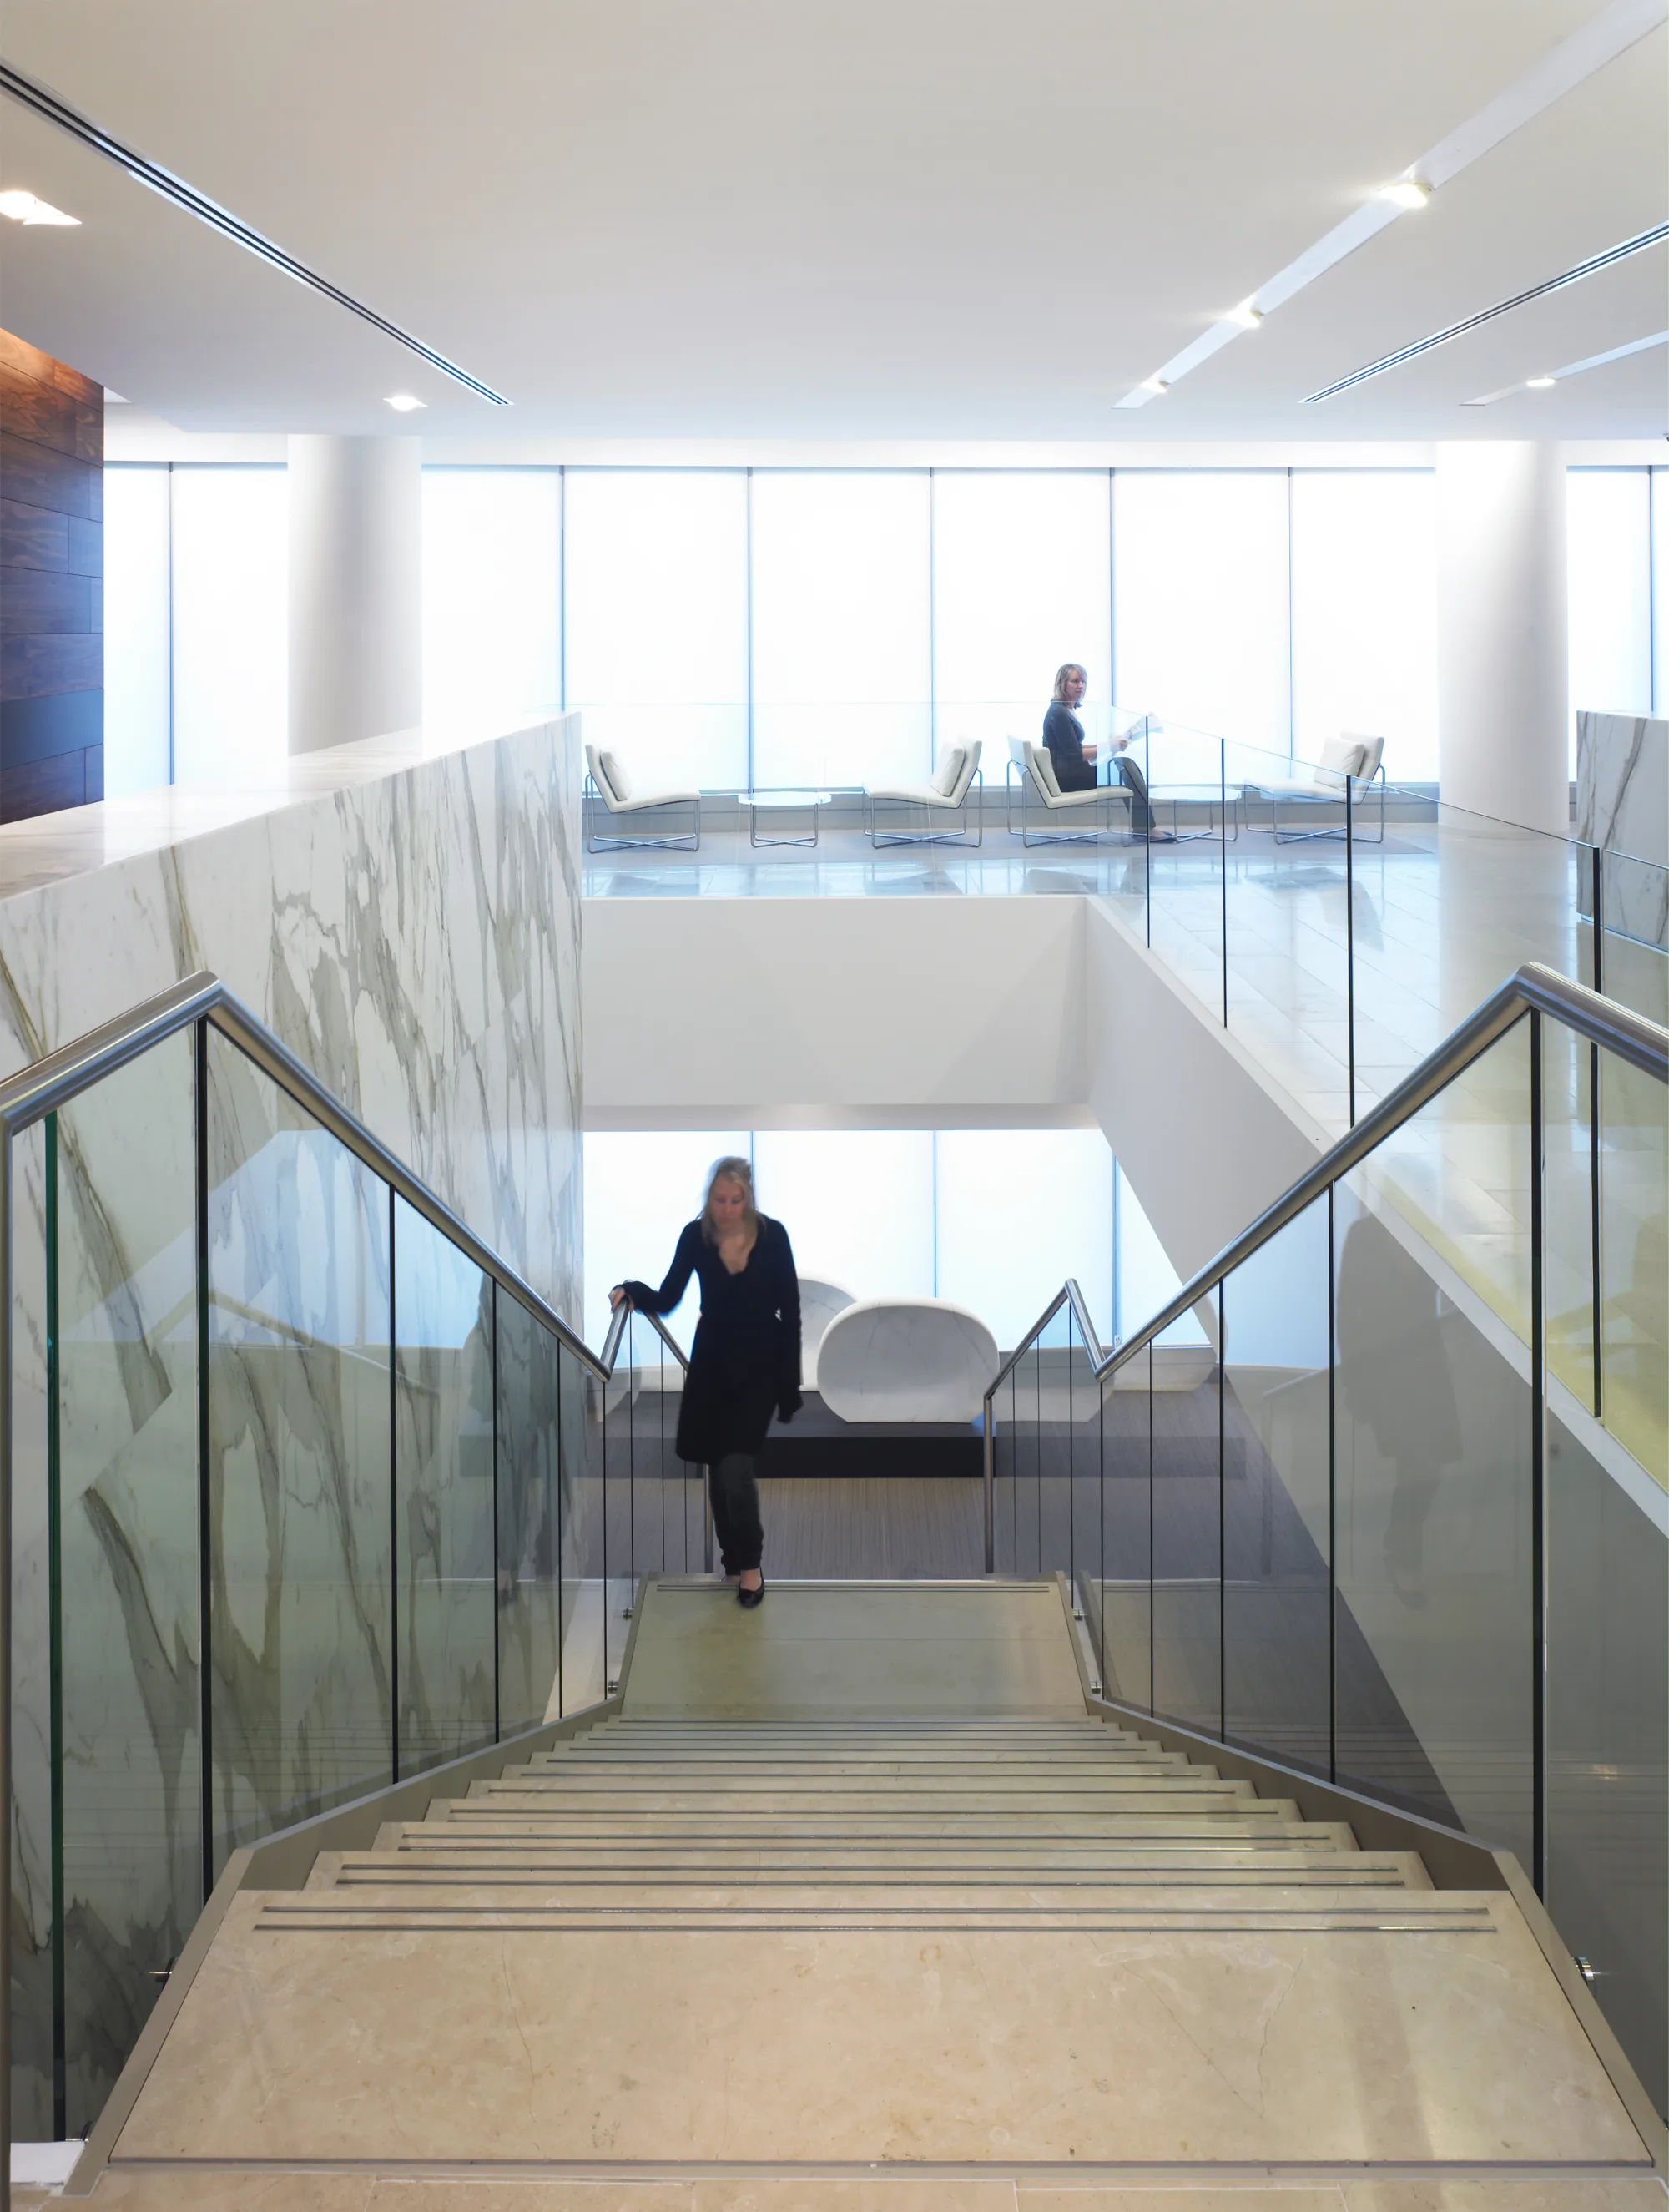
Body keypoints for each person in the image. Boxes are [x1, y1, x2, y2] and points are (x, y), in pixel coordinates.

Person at [611, 1156, 801, 1608]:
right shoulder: (694, 1236)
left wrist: (787, 1381)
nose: (728, 1208)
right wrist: (632, 1290)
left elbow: (789, 1309)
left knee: (736, 1468)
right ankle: (731, 1558)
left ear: (748, 1198)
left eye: (736, 1200)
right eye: (720, 1199)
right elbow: (670, 1296)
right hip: (712, 1363)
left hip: (757, 1366)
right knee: (718, 1472)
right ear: (709, 1197)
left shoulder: (773, 1236)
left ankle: (751, 1566)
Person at [1043, 665, 1171, 838]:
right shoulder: (1058, 712)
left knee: (1125, 766)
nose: (1081, 686)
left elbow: (1072, 748)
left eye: (1083, 681)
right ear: (1062, 684)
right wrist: (1109, 747)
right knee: (1125, 767)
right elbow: (1073, 755)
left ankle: (1144, 827)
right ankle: (1147, 828)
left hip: (1070, 770)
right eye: (1075, 681)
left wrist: (1109, 744)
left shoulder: (1066, 710)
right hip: (1066, 777)